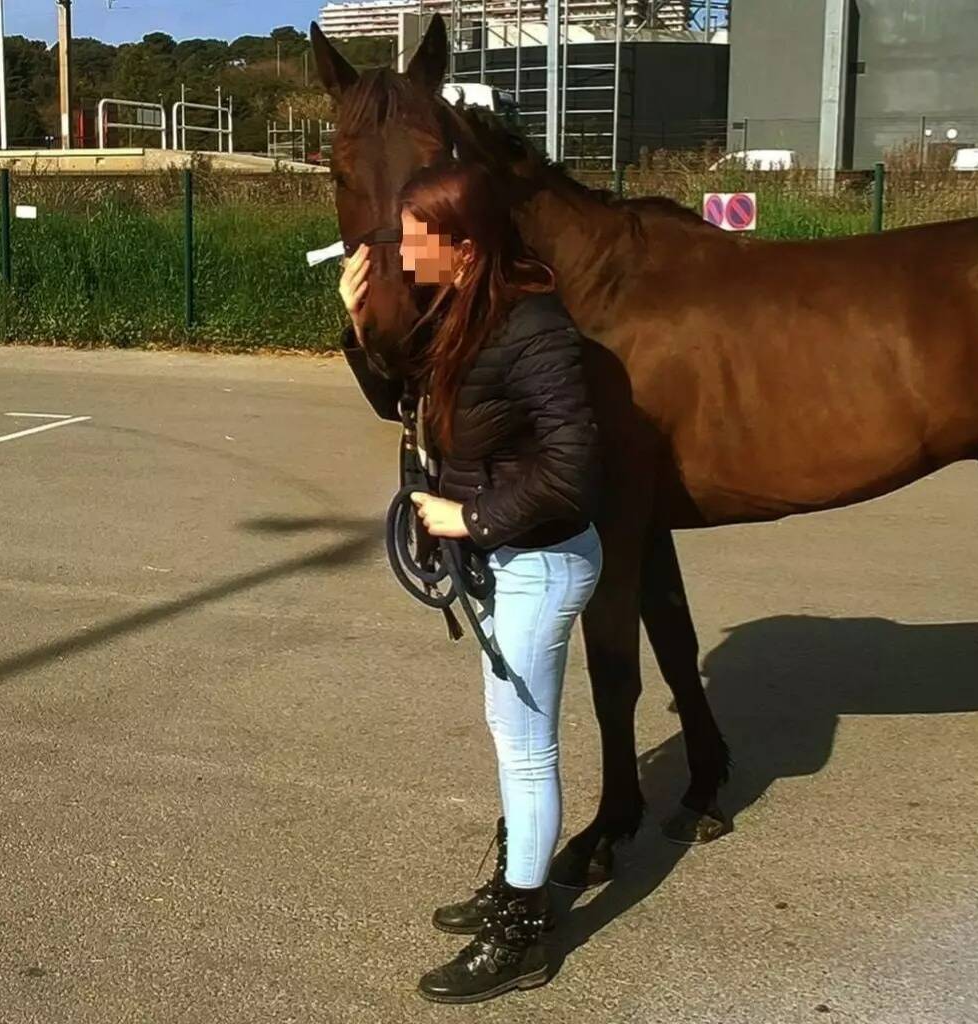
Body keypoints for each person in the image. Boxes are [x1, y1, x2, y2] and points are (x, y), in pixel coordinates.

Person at [336, 162, 603, 1005]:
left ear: (463, 242)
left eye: (416, 234)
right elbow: (404, 405)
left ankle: (522, 927)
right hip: (505, 560)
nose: (400, 248)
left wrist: (469, 520)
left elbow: (575, 472)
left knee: (527, 749)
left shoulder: (537, 328)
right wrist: (356, 326)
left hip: (542, 559)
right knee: (508, 732)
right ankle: (518, 880)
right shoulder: (460, 312)